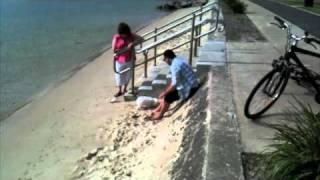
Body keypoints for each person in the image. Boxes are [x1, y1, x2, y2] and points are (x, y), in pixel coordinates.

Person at [151, 49, 199, 120]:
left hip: (190, 88)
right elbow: (174, 80)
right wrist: (166, 90)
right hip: (191, 83)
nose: (164, 61)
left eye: (164, 59)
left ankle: (160, 115)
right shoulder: (177, 61)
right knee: (168, 92)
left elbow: (174, 84)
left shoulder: (175, 66)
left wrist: (164, 93)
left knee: (168, 97)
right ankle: (157, 109)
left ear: (168, 58)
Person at [112, 22, 143, 97]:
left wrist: (133, 43)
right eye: (122, 34)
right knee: (119, 75)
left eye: (125, 33)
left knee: (128, 75)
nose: (124, 35)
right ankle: (119, 90)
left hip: (130, 58)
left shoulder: (131, 35)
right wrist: (125, 48)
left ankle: (125, 89)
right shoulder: (117, 37)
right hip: (119, 60)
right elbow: (114, 50)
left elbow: (141, 39)